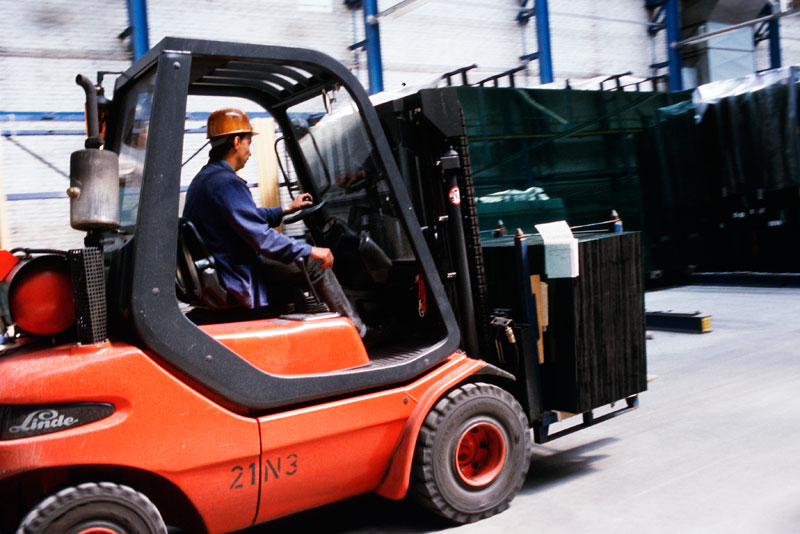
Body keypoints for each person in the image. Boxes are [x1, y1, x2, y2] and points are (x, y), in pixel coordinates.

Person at [183, 108, 364, 334]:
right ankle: (357, 332)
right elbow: (262, 239)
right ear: (237, 142)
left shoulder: (206, 179)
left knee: (299, 258)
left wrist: (286, 209)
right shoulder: (226, 183)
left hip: (226, 263)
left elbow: (244, 218)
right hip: (236, 270)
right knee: (316, 264)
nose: (250, 152)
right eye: (249, 143)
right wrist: (310, 250)